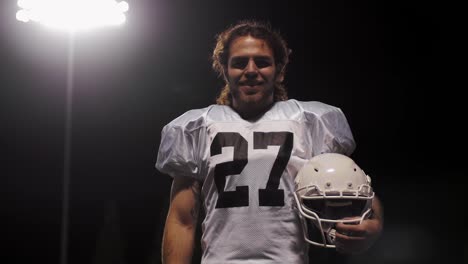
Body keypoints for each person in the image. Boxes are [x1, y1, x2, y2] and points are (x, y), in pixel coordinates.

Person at [155, 19, 383, 264]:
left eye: (262, 62)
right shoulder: (197, 126)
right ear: (224, 69)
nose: (251, 70)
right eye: (240, 62)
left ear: (280, 70)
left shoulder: (309, 120)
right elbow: (182, 219)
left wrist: (374, 225)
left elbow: (355, 186)